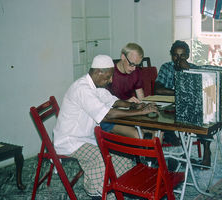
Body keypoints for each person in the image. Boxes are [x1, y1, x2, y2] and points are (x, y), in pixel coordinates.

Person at [53, 55, 158, 200]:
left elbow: (113, 101)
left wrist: (133, 105)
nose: (110, 80)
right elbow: (107, 115)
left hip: (86, 138)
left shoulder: (96, 86)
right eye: (108, 77)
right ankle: (97, 194)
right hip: (70, 141)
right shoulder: (82, 89)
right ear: (98, 72)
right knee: (100, 158)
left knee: (122, 157)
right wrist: (141, 111)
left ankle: (116, 189)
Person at [154, 40, 212, 167]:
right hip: (170, 107)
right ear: (171, 55)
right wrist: (180, 94)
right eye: (175, 55)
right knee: (161, 119)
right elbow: (158, 89)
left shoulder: (194, 69)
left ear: (187, 56)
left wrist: (188, 70)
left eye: (182, 55)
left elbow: (204, 89)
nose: (178, 58)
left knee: (202, 120)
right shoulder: (166, 67)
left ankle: (207, 149)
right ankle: (177, 146)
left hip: (190, 108)